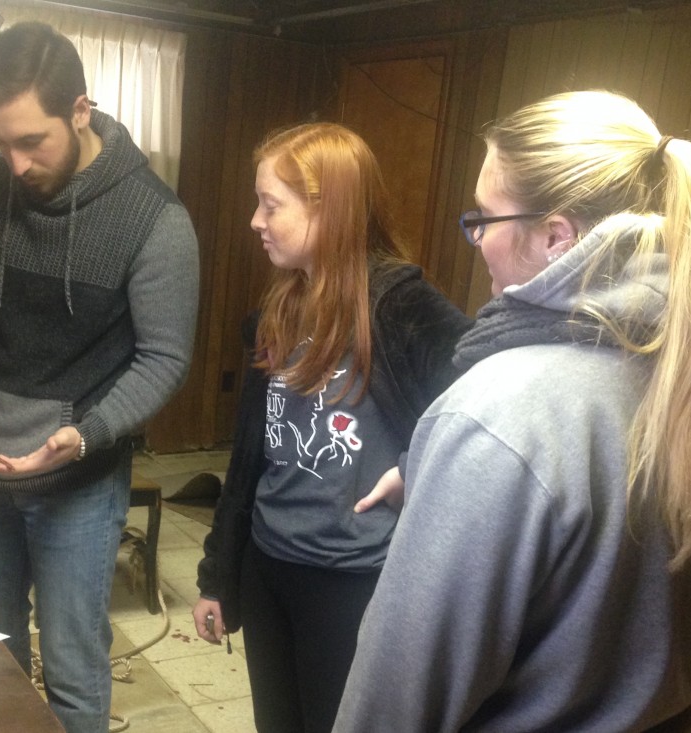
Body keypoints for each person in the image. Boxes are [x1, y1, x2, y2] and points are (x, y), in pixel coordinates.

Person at [333, 90, 691, 732]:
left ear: (556, 236)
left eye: (485, 219)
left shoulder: (495, 415)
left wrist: (475, 460)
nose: (476, 241)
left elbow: (399, 701)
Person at [0, 21, 199, 733]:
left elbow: (164, 359)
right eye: (0, 141)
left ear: (81, 111)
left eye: (33, 140)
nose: (16, 161)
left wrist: (85, 434)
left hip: (77, 483)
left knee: (71, 667)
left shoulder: (154, 220)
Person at [191, 122, 472, 733]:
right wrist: (219, 575)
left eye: (271, 205)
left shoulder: (399, 305)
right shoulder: (280, 307)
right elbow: (248, 459)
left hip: (352, 583)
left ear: (332, 210)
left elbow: (487, 402)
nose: (254, 221)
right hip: (270, 568)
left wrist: (417, 464)